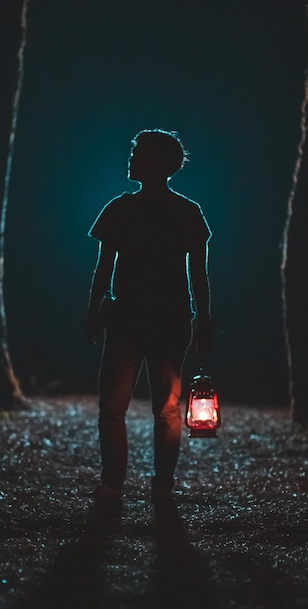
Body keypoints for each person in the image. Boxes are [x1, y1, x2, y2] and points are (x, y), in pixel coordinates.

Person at [82, 128, 212, 505]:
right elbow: (198, 274)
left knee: (118, 408)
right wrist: (202, 319)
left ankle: (116, 485)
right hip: (161, 318)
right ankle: (156, 486)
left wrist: (94, 311)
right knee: (164, 409)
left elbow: (104, 267)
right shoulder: (186, 211)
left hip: (132, 318)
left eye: (138, 153)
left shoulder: (124, 209)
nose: (131, 158)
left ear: (157, 162)